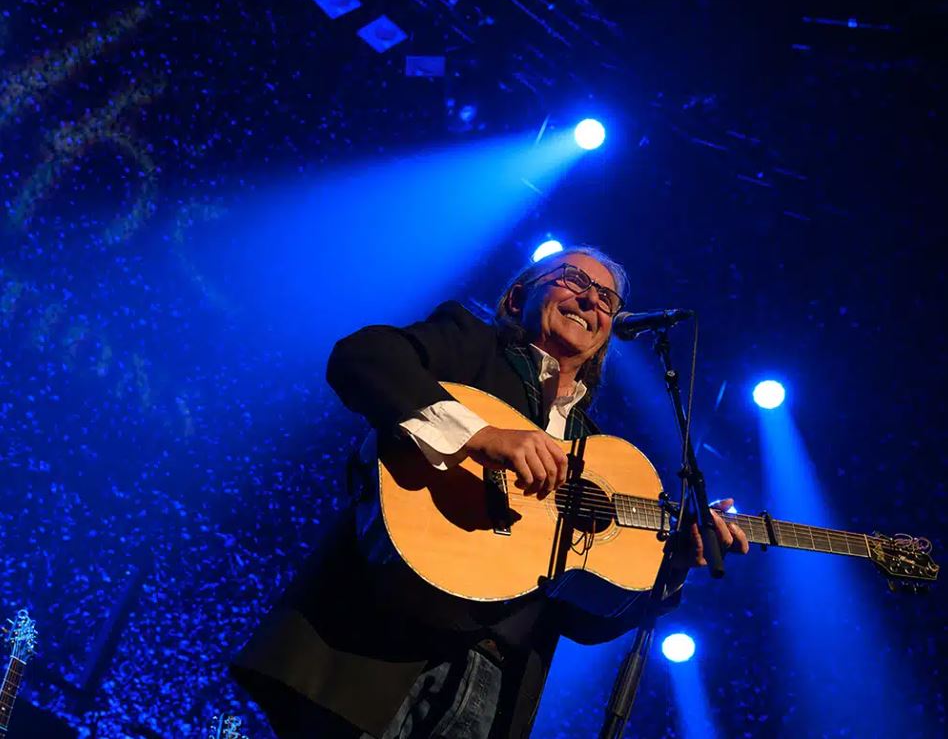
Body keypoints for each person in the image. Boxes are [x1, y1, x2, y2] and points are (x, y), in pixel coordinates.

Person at [231, 246, 748, 738]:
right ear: (519, 298)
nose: (592, 300)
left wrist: (675, 565)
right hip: (375, 650)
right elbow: (362, 358)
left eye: (608, 299)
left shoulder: (595, 452)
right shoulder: (472, 344)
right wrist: (481, 436)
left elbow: (579, 620)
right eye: (575, 281)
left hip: (495, 690)